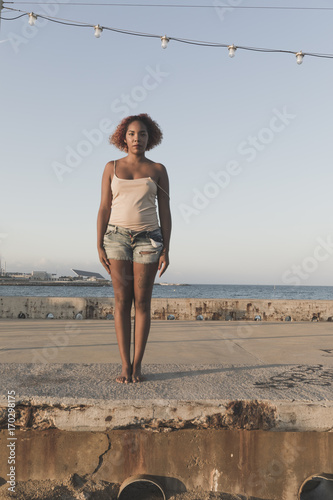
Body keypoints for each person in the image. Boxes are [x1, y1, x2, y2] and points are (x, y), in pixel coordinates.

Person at [97, 113, 171, 384]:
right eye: (131, 133)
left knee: (142, 302)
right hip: (115, 238)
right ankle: (124, 366)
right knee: (121, 302)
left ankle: (138, 365)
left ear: (150, 138)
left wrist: (167, 247)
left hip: (149, 240)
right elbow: (104, 207)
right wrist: (99, 243)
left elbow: (165, 211)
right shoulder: (111, 167)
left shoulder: (158, 170)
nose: (136, 138)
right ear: (123, 137)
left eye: (142, 134)